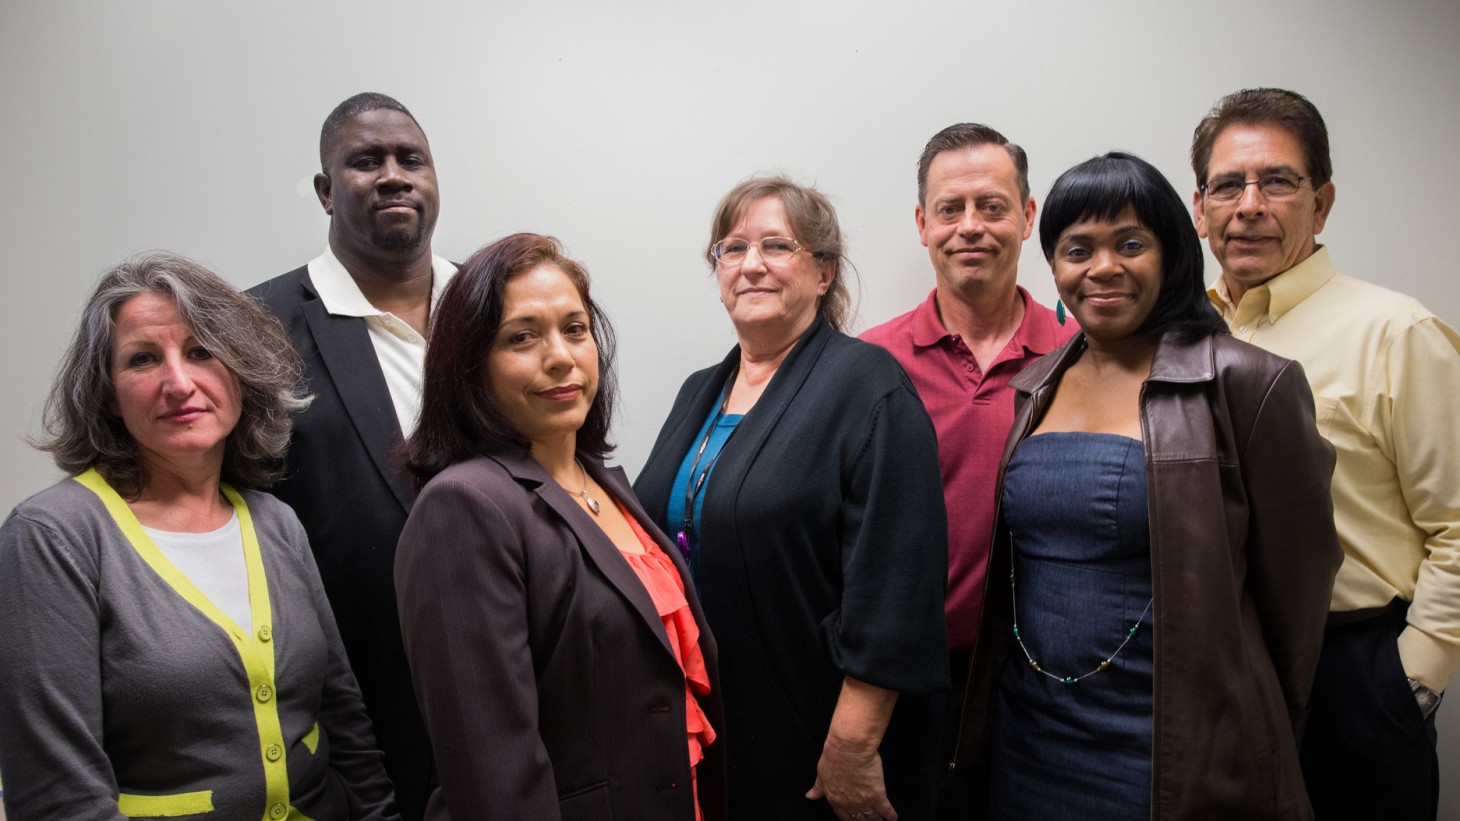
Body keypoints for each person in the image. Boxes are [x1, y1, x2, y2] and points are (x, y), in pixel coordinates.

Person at [959, 153, 1341, 818]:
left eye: (1130, 243)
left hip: (1169, 752)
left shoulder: (1248, 383)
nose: (1102, 267)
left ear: (1171, 254)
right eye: (1078, 248)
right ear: (1053, 264)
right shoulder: (1036, 385)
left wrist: (1254, 733)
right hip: (1030, 736)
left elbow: (1297, 599)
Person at [0, 252, 397, 820]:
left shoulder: (275, 522)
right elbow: (58, 796)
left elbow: (344, 720)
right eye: (142, 359)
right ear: (109, 393)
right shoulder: (52, 538)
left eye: (201, 352)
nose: (178, 383)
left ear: (240, 370)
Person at [635, 177, 949, 820]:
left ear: (824, 272)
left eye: (777, 245)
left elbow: (895, 587)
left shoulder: (869, 388)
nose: (751, 264)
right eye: (732, 248)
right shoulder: (699, 390)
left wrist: (852, 748)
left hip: (815, 741)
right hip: (713, 728)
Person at [1192, 87, 1460, 820]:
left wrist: (1413, 679)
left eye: (1277, 180)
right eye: (1227, 185)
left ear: (1323, 201)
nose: (1249, 204)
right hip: (1215, 669)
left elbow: (1458, 525)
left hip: (1354, 671)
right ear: (1199, 207)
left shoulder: (1398, 332)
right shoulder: (1185, 339)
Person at [394, 233, 724, 821]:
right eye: (522, 337)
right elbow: (494, 775)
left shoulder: (606, 483)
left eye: (575, 329)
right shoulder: (464, 509)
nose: (561, 356)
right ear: (469, 366)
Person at [859, 123, 1077, 815]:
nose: (970, 226)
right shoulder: (867, 366)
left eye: (992, 205)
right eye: (950, 209)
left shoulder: (1083, 357)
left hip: (1048, 685)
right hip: (907, 686)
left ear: (1028, 216)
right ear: (922, 225)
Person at [248, 92, 453, 819]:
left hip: (514, 666)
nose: (393, 175)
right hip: (355, 697)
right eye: (366, 161)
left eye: (411, 159)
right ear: (327, 191)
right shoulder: (257, 329)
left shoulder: (496, 310)